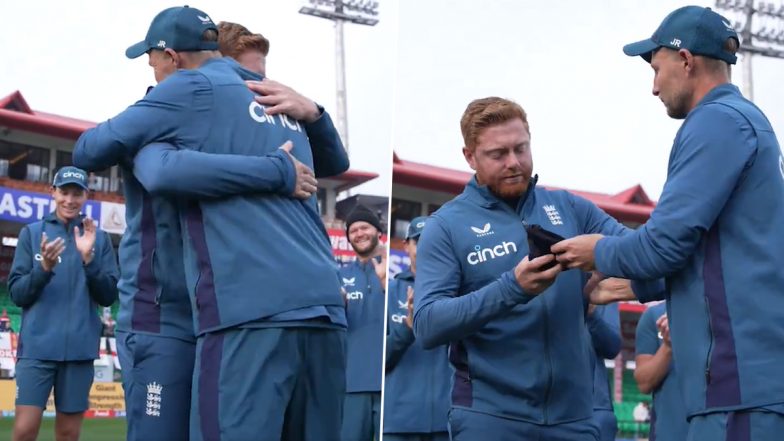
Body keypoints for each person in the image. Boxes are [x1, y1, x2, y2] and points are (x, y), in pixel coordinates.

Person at [73, 6, 349, 441]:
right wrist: (279, 165)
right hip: (179, 316)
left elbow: (94, 151)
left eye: (151, 55)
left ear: (172, 57)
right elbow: (150, 168)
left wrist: (312, 113)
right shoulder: (178, 108)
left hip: (234, 308)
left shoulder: (228, 94)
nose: (254, 85)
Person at [553, 6, 784, 440]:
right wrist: (635, 286)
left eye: (657, 69)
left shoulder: (717, 120)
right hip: (742, 386)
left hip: (742, 385)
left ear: (685, 60)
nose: (654, 87)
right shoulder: (741, 120)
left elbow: (664, 245)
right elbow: (711, 258)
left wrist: (595, 251)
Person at [411, 96, 663, 441]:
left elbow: (653, 259)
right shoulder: (445, 227)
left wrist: (615, 272)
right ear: (470, 156)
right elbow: (427, 325)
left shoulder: (570, 208)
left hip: (574, 419)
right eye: (498, 154)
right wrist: (511, 289)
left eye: (521, 149)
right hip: (489, 418)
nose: (514, 163)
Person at [8, 166, 118, 441]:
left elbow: (108, 295)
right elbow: (18, 294)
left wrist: (88, 259)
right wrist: (43, 268)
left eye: (77, 193)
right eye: (64, 192)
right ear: (52, 193)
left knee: (68, 434)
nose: (70, 200)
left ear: (86, 196)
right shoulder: (32, 234)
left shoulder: (99, 238)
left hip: (79, 351)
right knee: (23, 431)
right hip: (37, 349)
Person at [383, 216, 450, 441]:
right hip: (398, 424)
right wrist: (407, 328)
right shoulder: (390, 292)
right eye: (419, 241)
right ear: (406, 246)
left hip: (446, 423)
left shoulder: (457, 292)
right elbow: (376, 361)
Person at [339, 206, 386, 441]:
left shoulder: (400, 273)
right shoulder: (338, 276)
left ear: (378, 231)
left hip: (389, 384)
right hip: (351, 385)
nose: (359, 233)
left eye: (364, 227)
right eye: (353, 230)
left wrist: (387, 284)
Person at [635, 301, 688, 441]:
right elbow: (643, 383)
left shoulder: (721, 310)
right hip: (669, 433)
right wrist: (668, 346)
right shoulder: (654, 315)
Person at [586, 303, 620, 441]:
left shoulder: (601, 287)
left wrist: (592, 314)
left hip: (594, 406)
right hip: (536, 404)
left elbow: (612, 347)